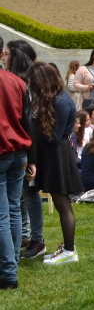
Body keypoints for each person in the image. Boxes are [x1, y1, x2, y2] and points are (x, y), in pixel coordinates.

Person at [26, 63, 84, 264]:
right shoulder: (56, 98)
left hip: (57, 153)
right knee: (61, 204)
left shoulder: (60, 101)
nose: (31, 84)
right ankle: (68, 249)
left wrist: (34, 127)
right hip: (55, 152)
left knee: (63, 205)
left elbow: (53, 135)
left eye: (33, 80)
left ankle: (69, 251)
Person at [0, 64, 34, 288]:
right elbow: (28, 120)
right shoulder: (16, 82)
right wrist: (32, 158)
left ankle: (8, 273)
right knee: (12, 210)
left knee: (4, 213)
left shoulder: (16, 82)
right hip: (19, 152)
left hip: (5, 152)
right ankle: (11, 265)